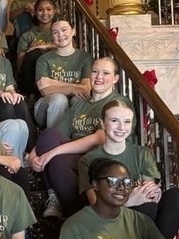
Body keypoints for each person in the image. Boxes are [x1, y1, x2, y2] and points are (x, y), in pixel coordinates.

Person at [29, 58, 131, 218]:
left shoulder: (117, 103)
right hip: (74, 155)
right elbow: (54, 133)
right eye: (95, 71)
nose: (99, 77)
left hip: (101, 158)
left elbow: (100, 138)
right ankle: (56, 197)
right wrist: (33, 155)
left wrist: (52, 153)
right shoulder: (80, 105)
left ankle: (76, 213)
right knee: (49, 135)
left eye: (105, 73)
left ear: (115, 78)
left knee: (58, 160)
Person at [78, 99, 179, 239]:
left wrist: (154, 192)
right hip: (111, 217)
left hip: (145, 213)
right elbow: (95, 204)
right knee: (146, 205)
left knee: (176, 197)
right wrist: (128, 201)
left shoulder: (142, 154)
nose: (121, 127)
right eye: (114, 120)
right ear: (103, 123)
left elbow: (149, 192)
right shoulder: (88, 160)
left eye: (127, 122)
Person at [33, 20, 92, 130]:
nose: (60, 35)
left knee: (80, 99)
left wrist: (52, 82)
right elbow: (44, 90)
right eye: (55, 32)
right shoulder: (43, 59)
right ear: (52, 36)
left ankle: (78, 137)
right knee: (59, 99)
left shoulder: (84, 57)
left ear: (73, 31)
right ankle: (54, 138)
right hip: (47, 107)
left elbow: (86, 89)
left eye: (64, 30)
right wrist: (73, 89)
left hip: (74, 102)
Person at [16, 0, 58, 95]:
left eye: (49, 9)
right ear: (35, 12)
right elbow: (19, 65)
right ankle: (30, 95)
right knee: (34, 53)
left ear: (54, 11)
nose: (45, 13)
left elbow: (72, 47)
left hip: (56, 71)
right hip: (33, 77)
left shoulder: (60, 31)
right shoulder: (27, 35)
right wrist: (29, 50)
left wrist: (46, 46)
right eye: (40, 10)